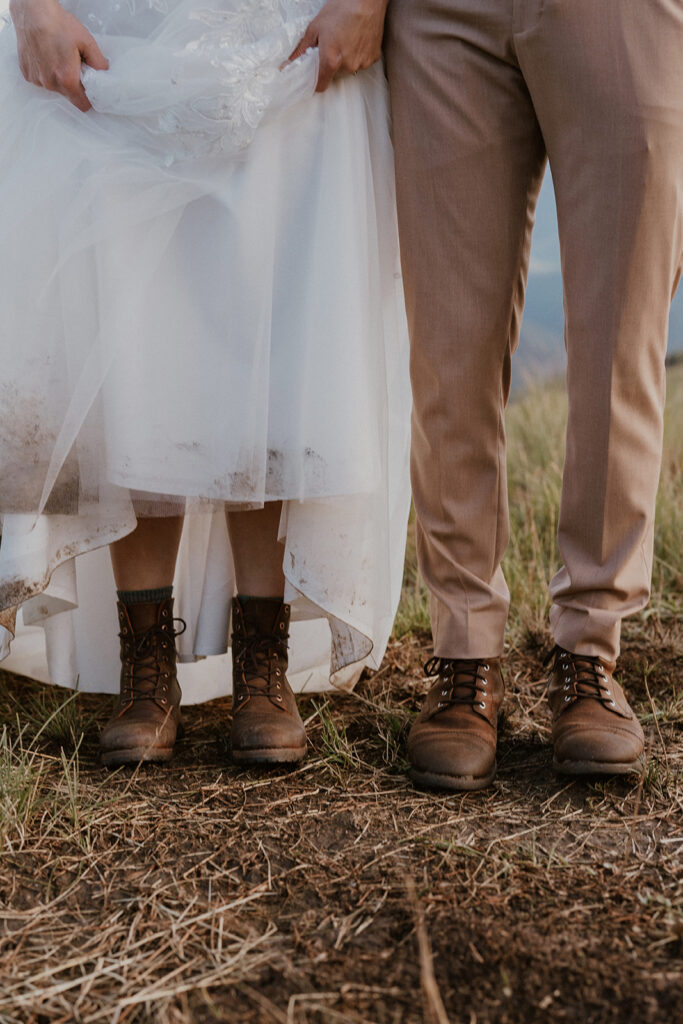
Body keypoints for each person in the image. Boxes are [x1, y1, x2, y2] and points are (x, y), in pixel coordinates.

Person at [0, 0, 409, 766]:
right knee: (135, 321)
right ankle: (145, 662)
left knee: (273, 309)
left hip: (284, 31)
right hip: (123, 29)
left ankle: (263, 659)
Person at [384, 0, 681, 790]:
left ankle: (589, 647)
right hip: (439, 14)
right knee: (447, 349)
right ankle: (463, 651)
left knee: (621, 343)